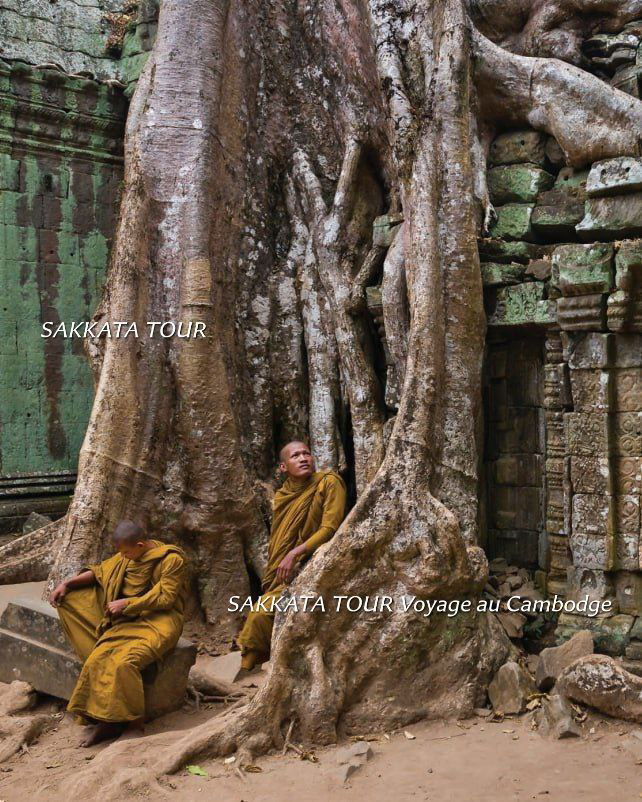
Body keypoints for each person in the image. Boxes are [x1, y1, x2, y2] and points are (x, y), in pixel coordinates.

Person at [49, 520, 188, 746]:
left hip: (161, 622)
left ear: (141, 545)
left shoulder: (171, 560)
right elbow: (100, 572)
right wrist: (68, 584)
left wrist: (128, 603)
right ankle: (107, 722)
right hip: (128, 621)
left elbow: (166, 598)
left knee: (125, 663)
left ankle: (135, 723)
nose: (122, 557)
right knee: (96, 659)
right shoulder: (126, 557)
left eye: (126, 552)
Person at [237, 441, 346, 671]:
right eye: (295, 456)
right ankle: (258, 671)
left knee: (260, 614)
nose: (303, 458)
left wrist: (295, 554)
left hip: (316, 565)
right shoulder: (283, 495)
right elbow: (279, 541)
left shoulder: (328, 482)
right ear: (283, 467)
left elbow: (330, 528)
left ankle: (258, 668)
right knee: (260, 611)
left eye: (307, 453)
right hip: (288, 572)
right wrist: (275, 575)